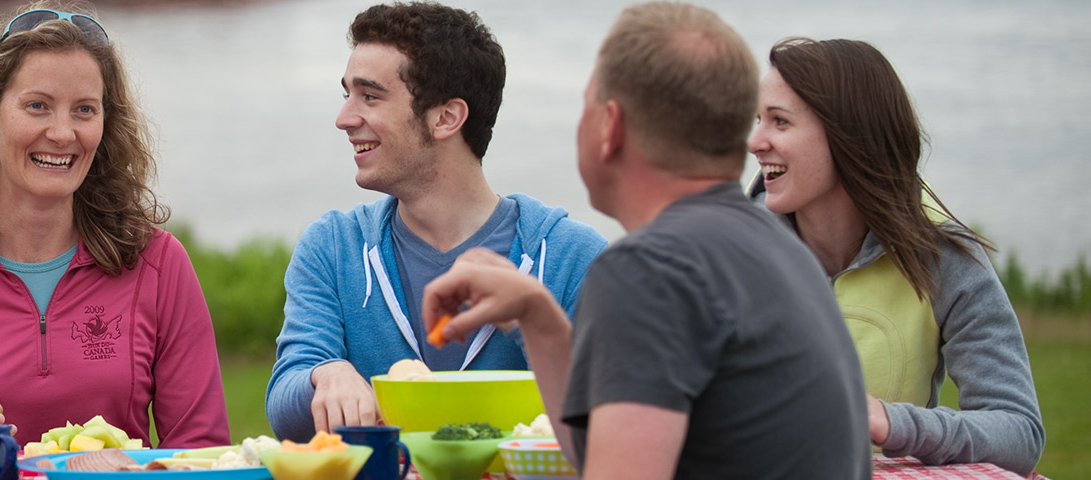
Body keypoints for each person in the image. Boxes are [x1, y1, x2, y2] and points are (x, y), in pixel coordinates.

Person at [418, 3, 868, 477]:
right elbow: (603, 449)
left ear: (611, 126)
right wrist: (540, 318)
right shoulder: (778, 250)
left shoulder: (651, 268)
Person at [0, 3, 230, 447]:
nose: (63, 133)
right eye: (38, 106)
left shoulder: (159, 265)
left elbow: (202, 451)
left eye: (84, 110)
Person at [266, 2, 606, 440]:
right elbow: (285, 409)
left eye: (370, 96)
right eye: (346, 94)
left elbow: (606, 420)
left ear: (446, 117)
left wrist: (533, 325)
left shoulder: (571, 256)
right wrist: (324, 374)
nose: (344, 118)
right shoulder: (332, 247)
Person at [745, 37, 1044, 474]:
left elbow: (1018, 434)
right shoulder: (732, 248)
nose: (755, 142)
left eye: (780, 122)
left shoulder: (945, 256)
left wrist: (888, 421)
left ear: (847, 134)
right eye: (758, 120)